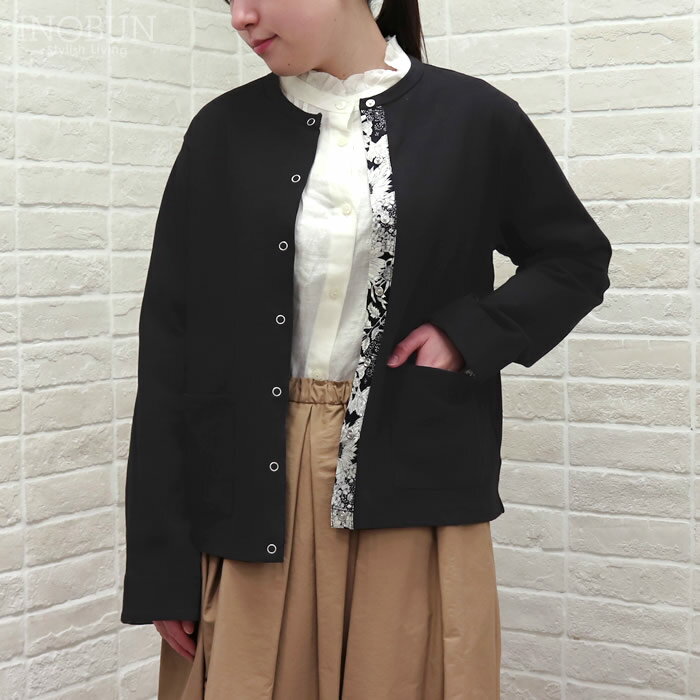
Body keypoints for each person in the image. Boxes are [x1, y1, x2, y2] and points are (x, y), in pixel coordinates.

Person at [120, 0, 613, 697]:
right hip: (249, 493)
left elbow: (573, 260)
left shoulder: (473, 119)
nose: (241, 16)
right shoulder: (222, 132)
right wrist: (162, 565)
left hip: (411, 485)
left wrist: (468, 334)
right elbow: (171, 345)